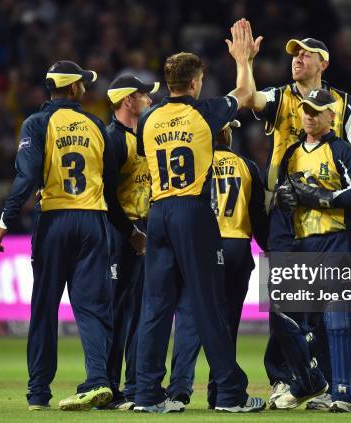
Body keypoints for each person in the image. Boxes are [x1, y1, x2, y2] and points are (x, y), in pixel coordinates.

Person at [0, 60, 146, 412]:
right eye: (84, 85)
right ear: (74, 89)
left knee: (44, 307)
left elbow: (27, 176)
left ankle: (38, 393)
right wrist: (131, 231)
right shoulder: (94, 126)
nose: (86, 90)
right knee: (93, 309)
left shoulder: (37, 123)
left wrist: (5, 219)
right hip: (93, 224)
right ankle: (99, 380)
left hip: (54, 222)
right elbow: (109, 189)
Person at [133, 19, 265, 413]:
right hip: (192, 211)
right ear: (195, 83)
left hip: (158, 215)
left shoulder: (148, 119)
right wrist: (244, 59)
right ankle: (229, 394)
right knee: (208, 303)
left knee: (155, 308)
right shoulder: (205, 113)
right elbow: (245, 92)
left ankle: (146, 395)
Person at [246, 35, 351, 409]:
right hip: (284, 213)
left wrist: (329, 191)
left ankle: (329, 381)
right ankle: (286, 378)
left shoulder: (342, 104)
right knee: (285, 300)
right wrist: (244, 62)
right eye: (294, 54)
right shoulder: (281, 96)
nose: (297, 58)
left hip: (326, 216)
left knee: (322, 304)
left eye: (306, 54)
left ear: (324, 63)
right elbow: (249, 99)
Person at [274, 89, 351, 412]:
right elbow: (285, 193)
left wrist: (323, 198)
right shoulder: (292, 154)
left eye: (316, 111)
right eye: (305, 110)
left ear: (332, 116)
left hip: (337, 239)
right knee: (310, 325)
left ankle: (346, 395)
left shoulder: (342, 151)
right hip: (304, 244)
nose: (309, 116)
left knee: (339, 319)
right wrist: (286, 198)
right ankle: (327, 389)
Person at [166, 119, 269, 408]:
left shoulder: (193, 165)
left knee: (189, 318)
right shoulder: (247, 166)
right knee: (226, 323)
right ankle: (221, 392)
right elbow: (258, 215)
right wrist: (271, 246)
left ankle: (178, 390)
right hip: (236, 246)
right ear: (226, 134)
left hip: (200, 246)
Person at [101, 75, 158, 410]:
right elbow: (107, 197)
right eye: (143, 95)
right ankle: (108, 384)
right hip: (120, 235)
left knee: (139, 311)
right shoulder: (112, 140)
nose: (149, 99)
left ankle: (135, 384)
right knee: (118, 311)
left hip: (144, 232)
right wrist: (132, 234)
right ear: (128, 101)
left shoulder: (145, 138)